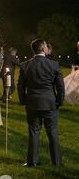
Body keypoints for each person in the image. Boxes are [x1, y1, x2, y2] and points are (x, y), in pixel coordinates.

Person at [18, 39, 65, 167]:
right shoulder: (53, 64)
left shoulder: (25, 65)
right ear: (43, 49)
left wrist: (23, 101)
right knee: (53, 132)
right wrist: (59, 102)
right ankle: (57, 162)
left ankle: (32, 161)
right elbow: (60, 86)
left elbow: (20, 86)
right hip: (50, 103)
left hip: (32, 103)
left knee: (34, 132)